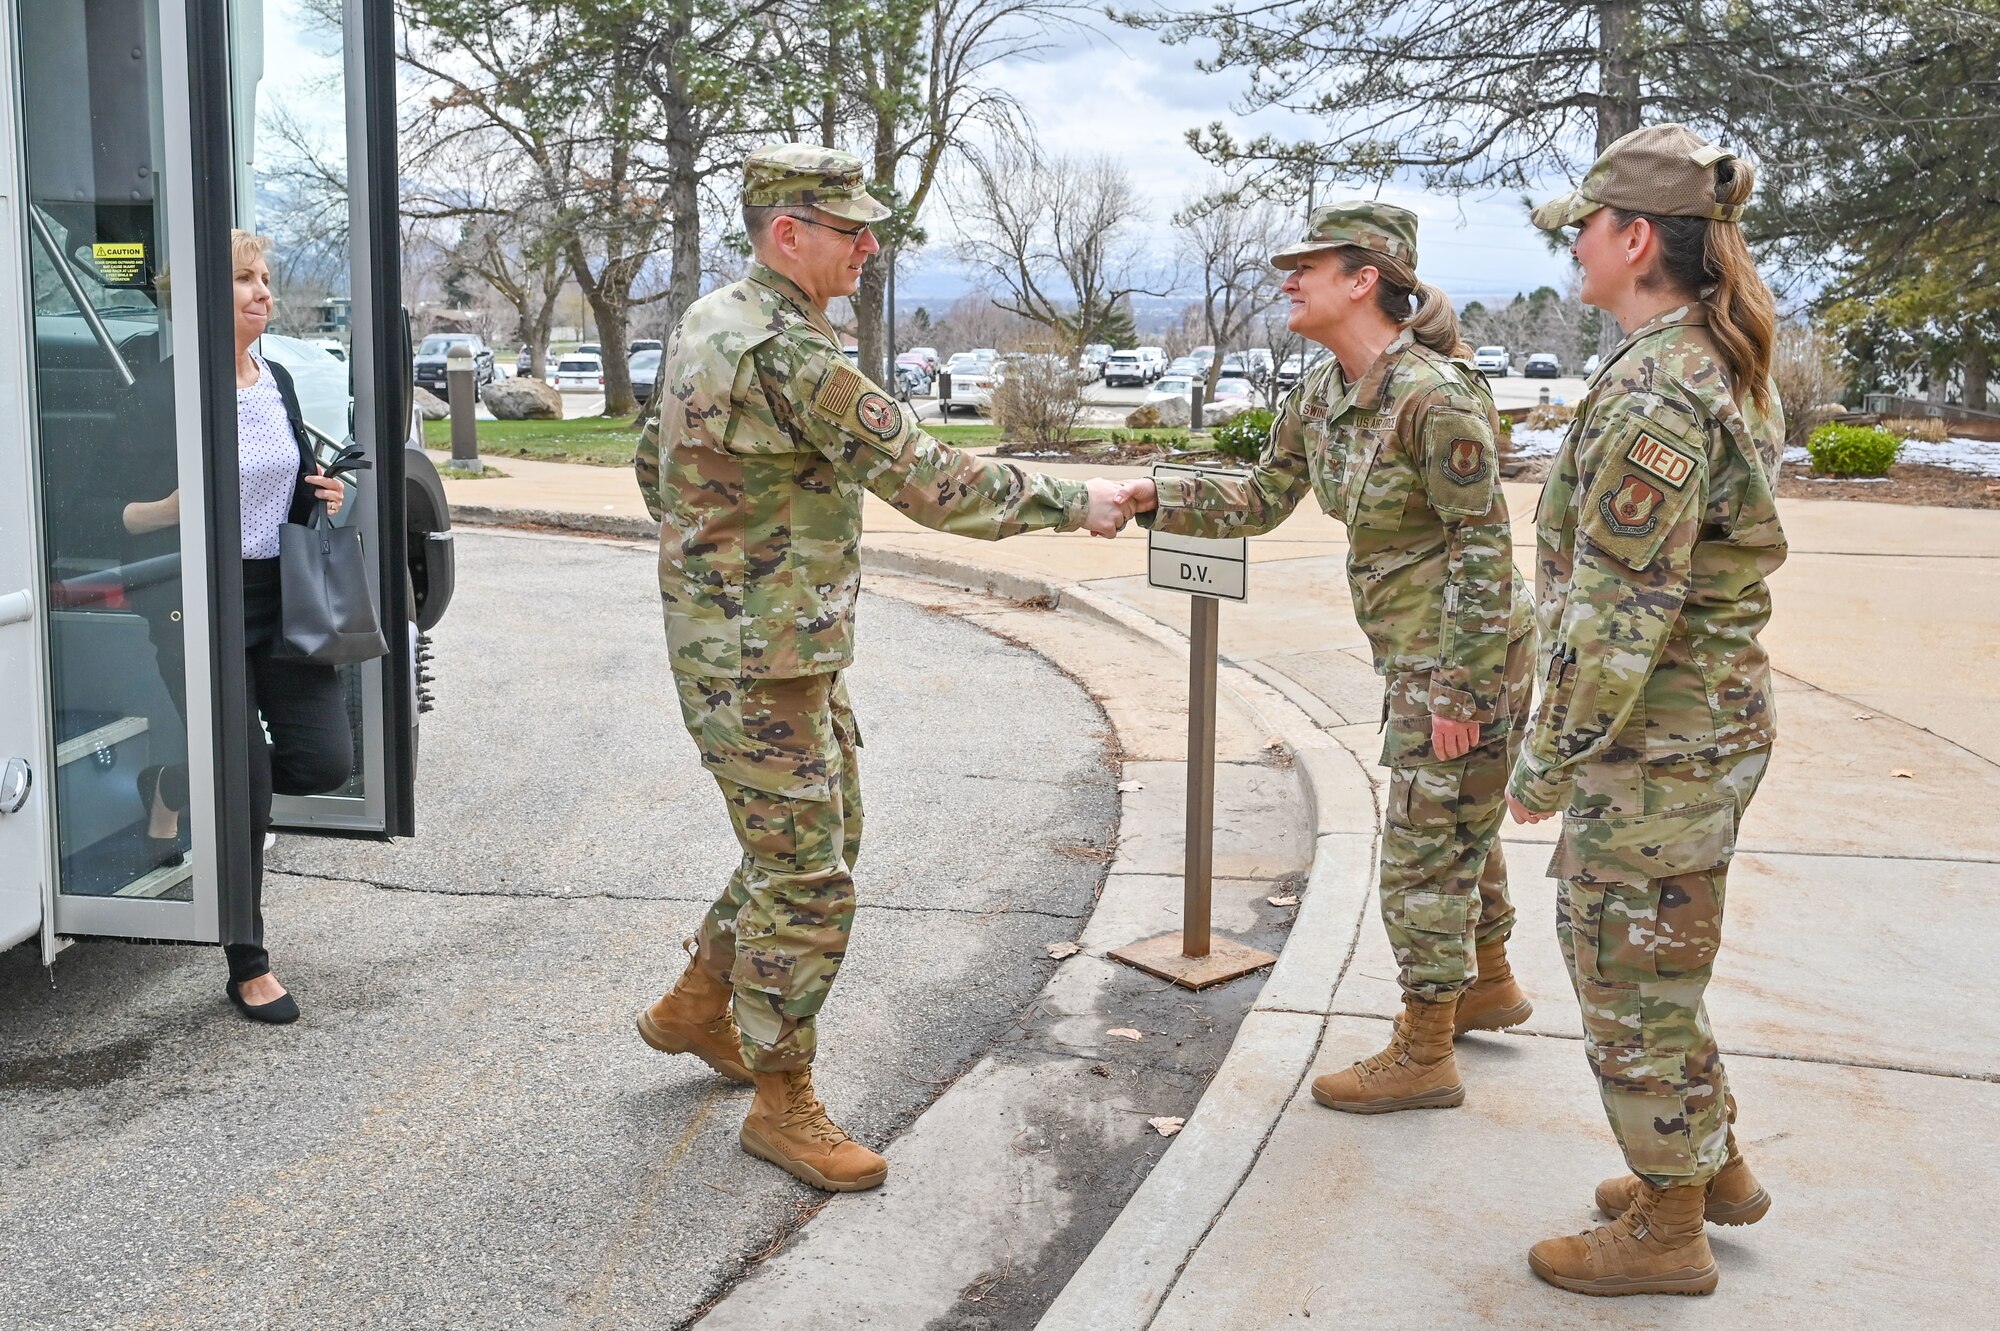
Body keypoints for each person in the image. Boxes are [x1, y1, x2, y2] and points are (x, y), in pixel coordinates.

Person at [632, 144, 1132, 1193]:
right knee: (808, 879)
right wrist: (1072, 503)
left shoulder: (709, 320)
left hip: (763, 643)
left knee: (821, 835)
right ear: (787, 235)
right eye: (848, 228)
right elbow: (933, 481)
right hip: (760, 654)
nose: (868, 245)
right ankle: (782, 1099)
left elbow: (652, 466)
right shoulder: (789, 353)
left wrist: (721, 558)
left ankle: (694, 1003)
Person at [1126, 202, 1537, 1113]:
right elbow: (1265, 496)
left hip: (1465, 653)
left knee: (1423, 849)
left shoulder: (1436, 397)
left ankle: (1426, 1050)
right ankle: (1489, 980)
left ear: (1365, 280)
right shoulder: (1323, 391)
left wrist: (1462, 688)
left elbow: (1481, 544)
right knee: (1455, 819)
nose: (1288, 279)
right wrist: (1156, 493)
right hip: (1411, 650)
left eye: (1306, 265)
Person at [1508, 124, 1786, 1297]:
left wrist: (1541, 760)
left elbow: (1618, 615)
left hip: (1652, 739)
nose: (1571, 243)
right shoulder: (1687, 362)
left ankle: (1666, 1226)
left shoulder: (1659, 392)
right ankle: (1702, 1162)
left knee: (1623, 969)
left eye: (1582, 225)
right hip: (1684, 732)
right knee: (1657, 960)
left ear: (1633, 239)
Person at [120, 229, 354, 1024]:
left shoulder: (276, 379)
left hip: (279, 596)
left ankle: (177, 785)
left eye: (264, 278)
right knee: (248, 779)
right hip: (194, 598)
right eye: (245, 280)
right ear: (199, 299)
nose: (264, 293)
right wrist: (179, 508)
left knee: (325, 761)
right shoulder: (161, 391)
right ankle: (247, 960)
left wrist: (318, 499)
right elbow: (105, 516)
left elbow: (275, 493)